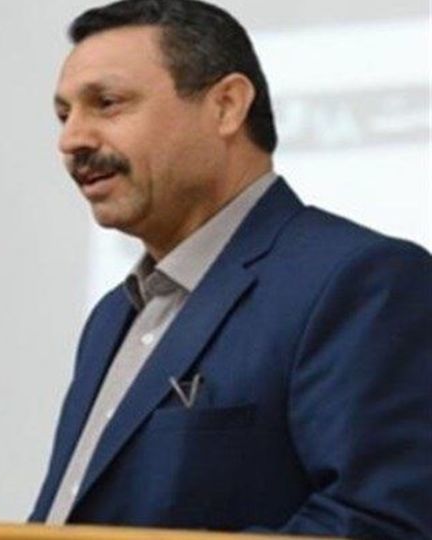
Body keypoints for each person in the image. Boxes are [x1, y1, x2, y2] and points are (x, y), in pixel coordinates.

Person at [29, 1, 432, 538]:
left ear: (226, 106)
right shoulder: (112, 317)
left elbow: (381, 521)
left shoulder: (358, 280)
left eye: (107, 103)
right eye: (64, 115)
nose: (72, 140)